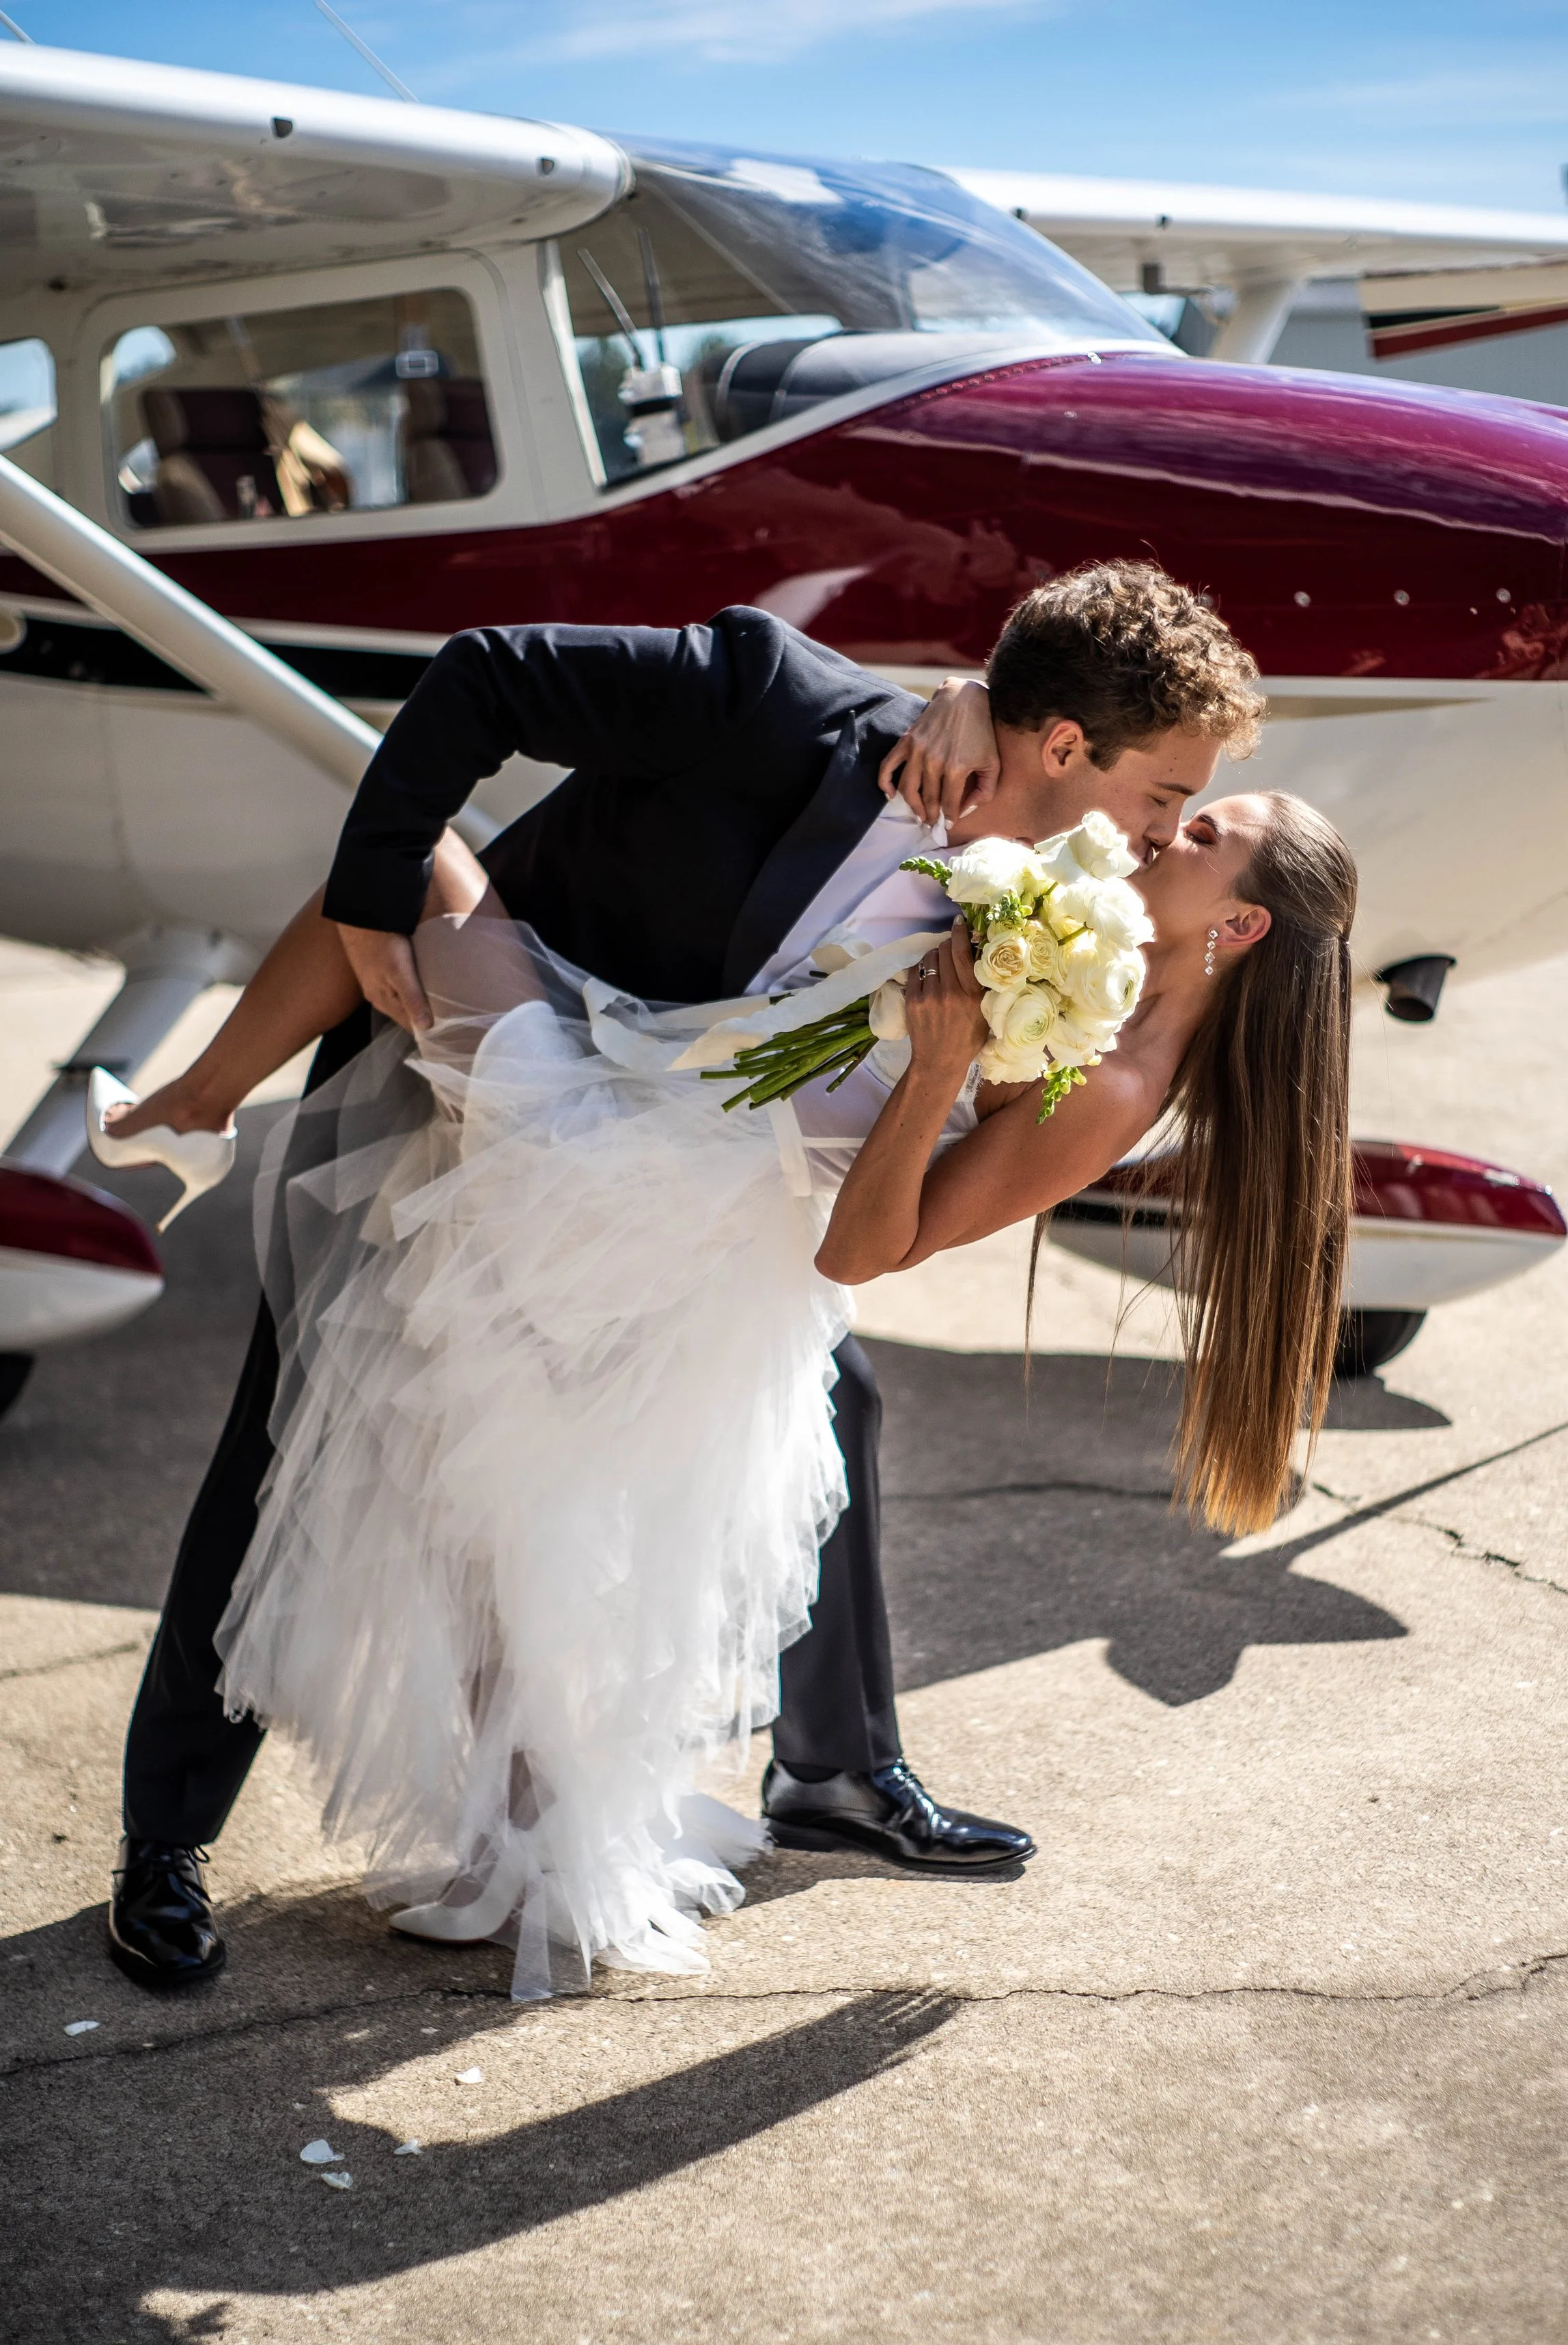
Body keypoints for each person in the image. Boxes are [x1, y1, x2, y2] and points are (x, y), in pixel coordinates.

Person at [103, 560, 1351, 1996]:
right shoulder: (871, 749)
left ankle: (722, 1792)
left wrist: (944, 1057)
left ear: (1239, 920)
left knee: (580, 1499)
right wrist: (959, 701)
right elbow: (499, 675)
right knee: (323, 1435)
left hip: (695, 1196)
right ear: (1066, 747)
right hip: (589, 1087)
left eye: (1192, 822)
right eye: (1171, 797)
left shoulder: (1106, 1003)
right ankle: (174, 1841)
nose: (1160, 829)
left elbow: (880, 1227)